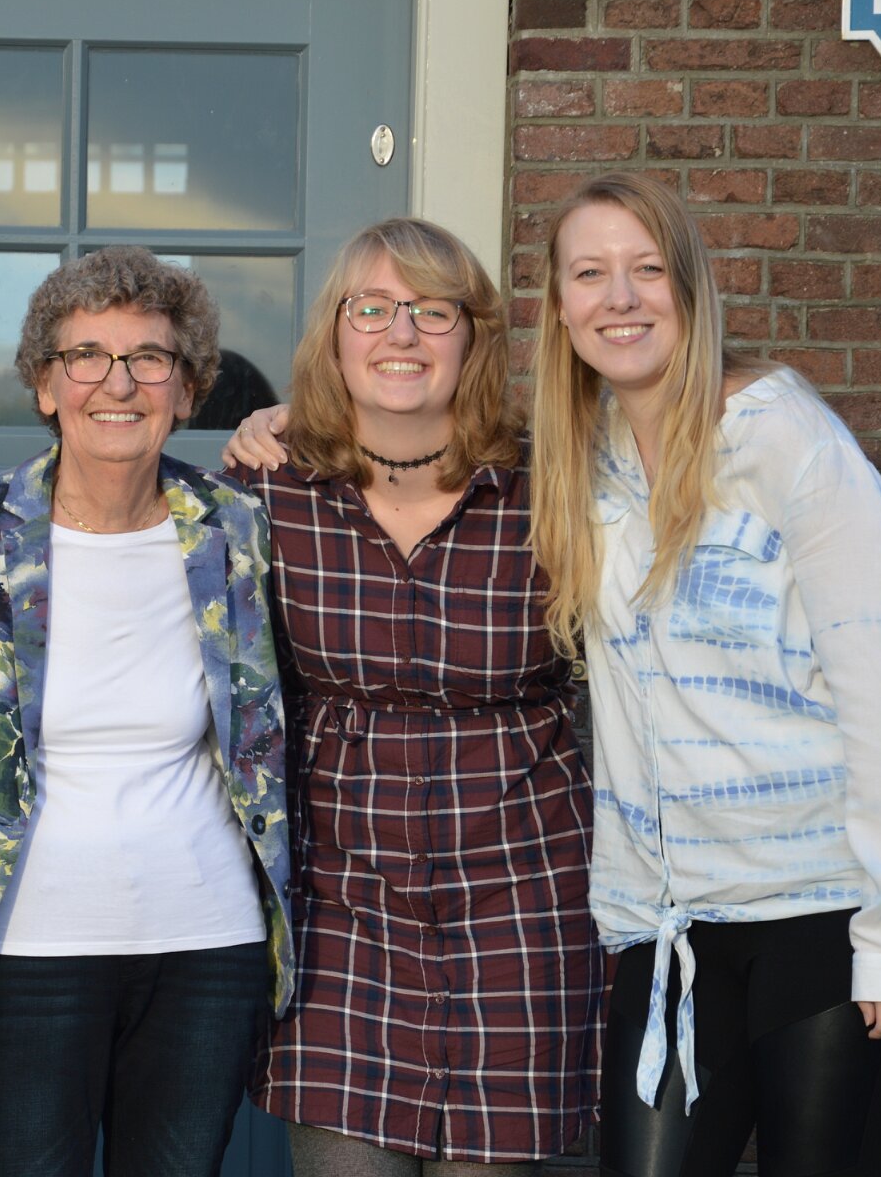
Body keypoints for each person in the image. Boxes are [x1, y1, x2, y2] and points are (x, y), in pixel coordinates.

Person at [527, 172, 881, 1176]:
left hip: (824, 911)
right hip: (667, 925)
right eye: (588, 274)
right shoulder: (577, 459)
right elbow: (420, 449)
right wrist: (287, 425)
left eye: (645, 269)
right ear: (559, 306)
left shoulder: (788, 443)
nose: (618, 298)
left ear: (688, 287)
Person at [0, 246, 294, 1177]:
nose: (117, 383)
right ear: (45, 384)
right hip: (19, 947)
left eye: (148, 358)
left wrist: (295, 417)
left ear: (187, 389)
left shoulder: (235, 529)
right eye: (86, 356)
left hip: (206, 946)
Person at [220, 220, 601, 1175]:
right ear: (334, 334)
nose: (400, 334)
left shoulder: (554, 488)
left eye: (432, 311)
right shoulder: (265, 493)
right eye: (372, 309)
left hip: (521, 901)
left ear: (472, 337)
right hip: (337, 909)